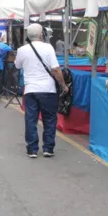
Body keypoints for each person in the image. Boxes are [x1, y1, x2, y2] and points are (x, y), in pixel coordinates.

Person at [16, 23, 68, 158]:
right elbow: (56, 69)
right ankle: (48, 148)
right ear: (41, 34)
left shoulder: (22, 49)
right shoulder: (48, 48)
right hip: (48, 89)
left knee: (30, 119)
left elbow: (17, 65)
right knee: (50, 119)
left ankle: (32, 149)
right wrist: (63, 85)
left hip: (30, 89)